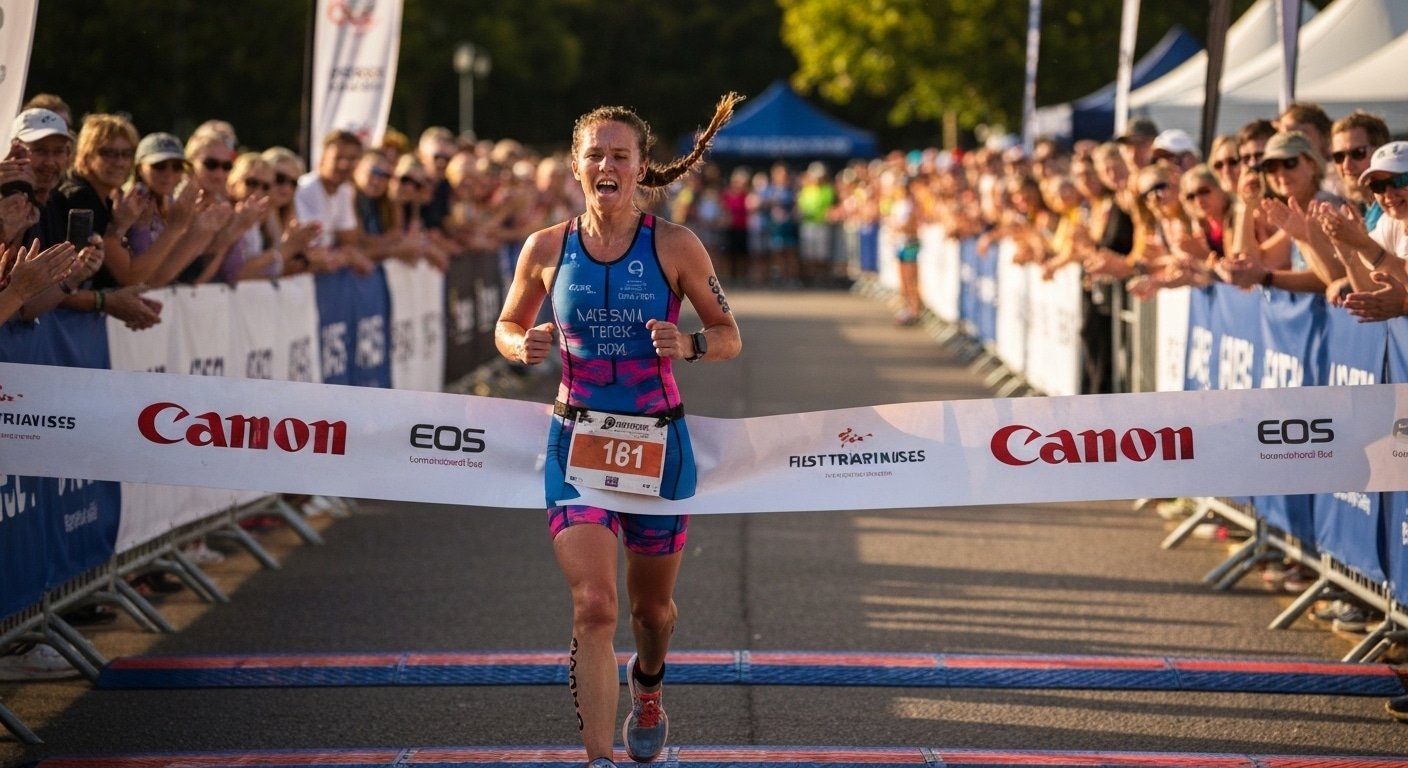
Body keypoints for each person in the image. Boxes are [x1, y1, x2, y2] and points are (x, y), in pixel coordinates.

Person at [494, 94, 743, 768]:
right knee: (595, 606)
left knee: (652, 614)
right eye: (595, 154)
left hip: (657, 442)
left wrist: (687, 346)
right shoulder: (547, 247)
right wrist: (520, 345)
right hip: (574, 438)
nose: (607, 164)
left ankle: (651, 686)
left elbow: (728, 337)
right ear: (576, 168)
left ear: (640, 167)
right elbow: (506, 323)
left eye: (620, 154)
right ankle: (598, 759)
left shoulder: (674, 244)